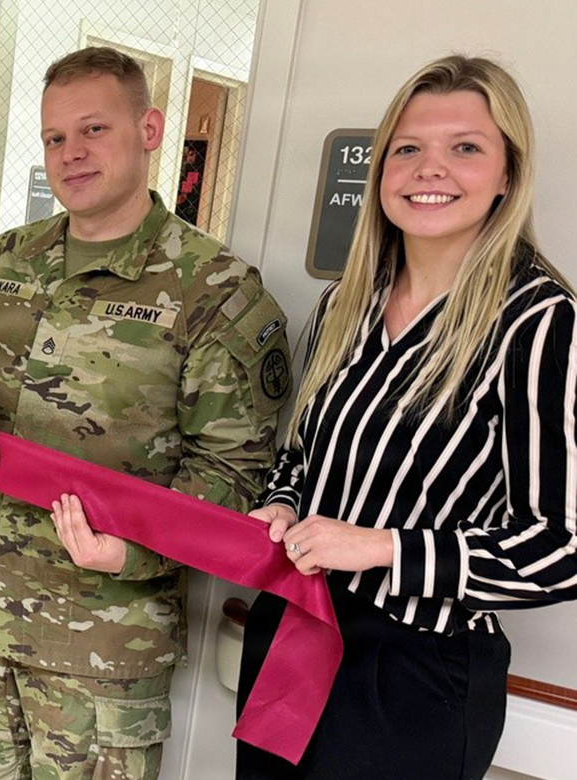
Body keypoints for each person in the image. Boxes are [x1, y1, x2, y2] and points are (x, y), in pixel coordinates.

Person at [0, 46, 291, 780]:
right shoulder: (5, 261)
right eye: (55, 137)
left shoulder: (216, 292)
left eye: (93, 131)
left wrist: (135, 551)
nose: (70, 154)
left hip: (102, 651)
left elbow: (234, 474)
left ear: (149, 130)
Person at [236, 56, 577, 780]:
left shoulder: (538, 322)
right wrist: (281, 503)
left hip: (411, 670)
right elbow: (303, 455)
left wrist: (383, 547)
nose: (431, 169)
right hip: (293, 627)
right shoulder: (347, 303)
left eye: (466, 147)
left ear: (508, 174)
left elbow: (562, 547)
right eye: (409, 148)